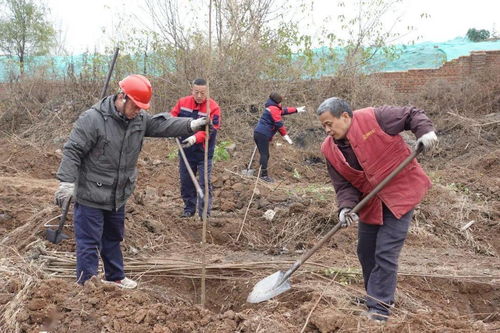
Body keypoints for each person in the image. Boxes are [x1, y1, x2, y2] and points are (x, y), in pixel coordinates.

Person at [54, 74, 209, 288]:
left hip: (118, 193)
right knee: (89, 242)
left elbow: (162, 125)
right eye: (135, 106)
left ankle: (115, 276)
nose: (138, 111)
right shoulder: (93, 119)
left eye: (141, 107)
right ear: (122, 97)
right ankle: (87, 285)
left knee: (113, 238)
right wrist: (67, 183)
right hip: (91, 192)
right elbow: (73, 150)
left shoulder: (138, 119)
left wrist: (191, 125)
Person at [316, 97, 438, 323]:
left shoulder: (374, 117)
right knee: (365, 251)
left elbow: (411, 113)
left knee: (385, 251)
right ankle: (374, 294)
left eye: (329, 124)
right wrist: (345, 208)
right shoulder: (329, 149)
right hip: (370, 203)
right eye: (323, 126)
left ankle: (379, 307)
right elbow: (343, 185)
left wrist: (425, 132)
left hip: (400, 193)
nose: (327, 130)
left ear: (344, 116)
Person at [170, 78, 221, 218]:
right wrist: (171, 129)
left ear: (207, 92)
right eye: (196, 92)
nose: (199, 96)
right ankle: (189, 209)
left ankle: (204, 213)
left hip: (203, 152)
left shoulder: (214, 107)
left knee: (204, 182)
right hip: (185, 150)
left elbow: (212, 129)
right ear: (192, 90)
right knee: (186, 181)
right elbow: (172, 117)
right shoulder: (182, 102)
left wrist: (194, 138)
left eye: (202, 93)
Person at [253, 92, 306, 182]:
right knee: (265, 154)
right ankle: (263, 176)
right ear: (277, 100)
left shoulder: (272, 106)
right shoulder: (273, 108)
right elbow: (278, 124)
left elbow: (284, 111)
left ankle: (263, 174)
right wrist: (285, 135)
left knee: (264, 154)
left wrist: (296, 110)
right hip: (262, 134)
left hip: (259, 133)